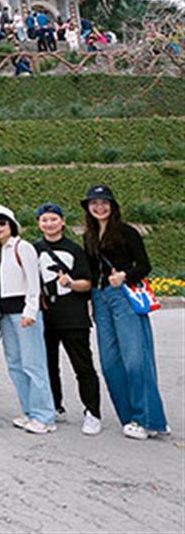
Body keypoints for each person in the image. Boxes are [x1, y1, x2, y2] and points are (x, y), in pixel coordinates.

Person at [82, 184, 168, 440]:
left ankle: (149, 419)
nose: (99, 207)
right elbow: (91, 270)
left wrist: (125, 275)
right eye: (94, 203)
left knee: (135, 360)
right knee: (110, 363)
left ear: (113, 206)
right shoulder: (89, 236)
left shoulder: (126, 232)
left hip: (123, 296)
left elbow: (144, 265)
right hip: (100, 299)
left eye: (104, 202)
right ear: (88, 207)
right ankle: (129, 418)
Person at [0, 205, 55, 434]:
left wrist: (31, 311)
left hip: (23, 313)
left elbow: (34, 282)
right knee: (15, 364)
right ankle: (29, 411)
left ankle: (44, 415)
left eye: (2, 222)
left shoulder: (22, 247)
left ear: (11, 224)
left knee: (33, 363)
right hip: (5, 315)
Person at [34, 202, 102, 436]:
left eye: (53, 219)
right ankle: (55, 406)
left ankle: (92, 412)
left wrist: (71, 283)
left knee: (82, 366)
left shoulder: (75, 249)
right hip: (46, 317)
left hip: (74, 318)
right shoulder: (34, 249)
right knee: (48, 365)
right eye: (44, 220)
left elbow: (88, 283)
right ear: (39, 223)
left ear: (62, 222)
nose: (49, 223)